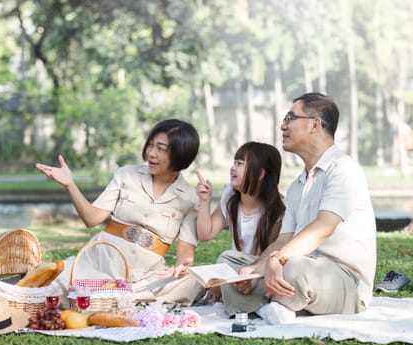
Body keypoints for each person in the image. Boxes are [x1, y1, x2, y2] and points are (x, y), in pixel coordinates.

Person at [223, 92, 377, 324]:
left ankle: (271, 305)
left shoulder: (343, 170)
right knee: (230, 264)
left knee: (293, 267)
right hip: (297, 268)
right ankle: (275, 309)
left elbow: (323, 227)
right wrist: (257, 268)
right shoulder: (297, 186)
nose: (283, 126)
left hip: (344, 281)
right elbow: (283, 240)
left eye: (290, 118)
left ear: (315, 124)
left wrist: (277, 260)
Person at [35, 119, 204, 306]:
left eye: (161, 149)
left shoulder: (190, 198)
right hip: (100, 264)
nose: (151, 153)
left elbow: (185, 257)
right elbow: (92, 219)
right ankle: (122, 299)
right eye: (150, 145)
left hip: (146, 277)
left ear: (180, 154)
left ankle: (113, 297)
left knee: (191, 281)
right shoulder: (127, 174)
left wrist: (180, 268)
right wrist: (70, 184)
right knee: (57, 278)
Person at [195, 142, 285, 306]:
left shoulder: (276, 211)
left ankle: (246, 301)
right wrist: (204, 201)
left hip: (257, 271)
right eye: (234, 162)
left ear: (259, 174)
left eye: (240, 163)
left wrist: (223, 279)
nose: (232, 168)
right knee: (194, 278)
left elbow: (265, 258)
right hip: (233, 268)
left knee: (224, 259)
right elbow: (205, 234)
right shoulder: (230, 199)